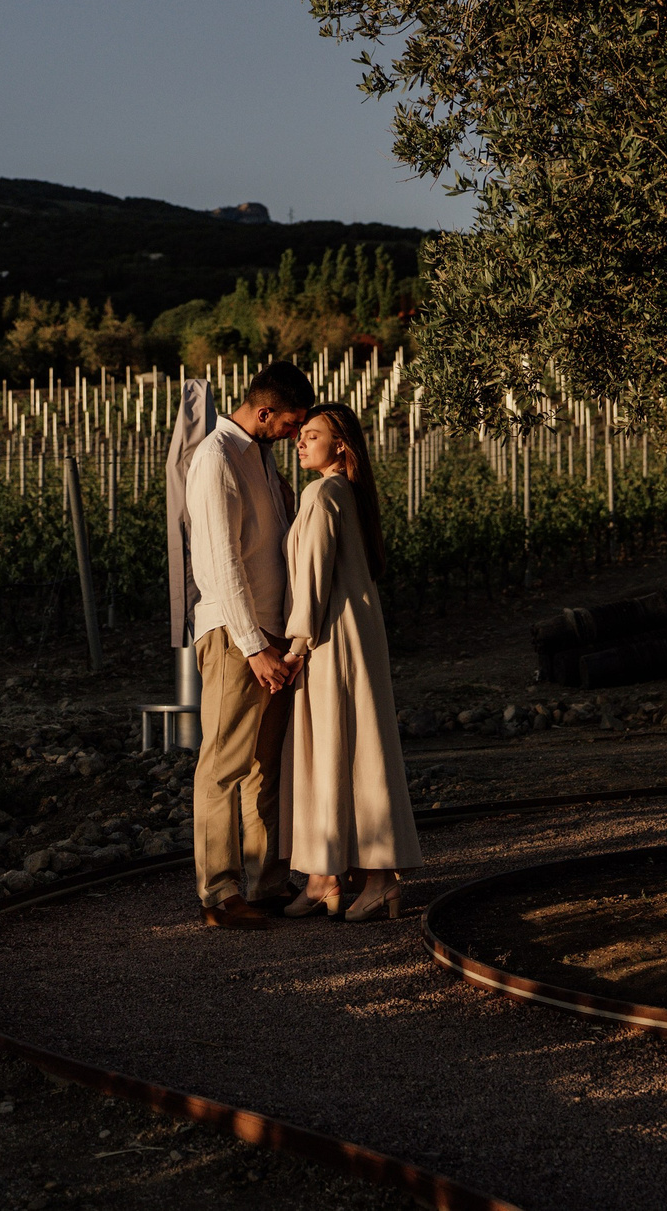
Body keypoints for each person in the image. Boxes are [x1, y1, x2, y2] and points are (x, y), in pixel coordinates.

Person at [183, 360, 317, 930]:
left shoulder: (259, 458)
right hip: (236, 635)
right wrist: (252, 645)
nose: (294, 434)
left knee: (266, 763)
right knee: (224, 762)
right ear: (264, 413)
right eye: (289, 424)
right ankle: (218, 893)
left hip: (271, 634)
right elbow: (219, 563)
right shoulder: (216, 458)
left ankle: (265, 882)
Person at [279, 402, 422, 921]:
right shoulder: (348, 494)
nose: (300, 441)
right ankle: (325, 875)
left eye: (311, 435)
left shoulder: (322, 494)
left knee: (338, 749)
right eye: (301, 435)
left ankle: (374, 877)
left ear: (341, 445)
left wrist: (295, 648)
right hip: (355, 633)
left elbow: (313, 579)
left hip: (330, 639)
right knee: (351, 744)